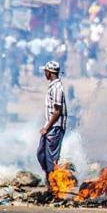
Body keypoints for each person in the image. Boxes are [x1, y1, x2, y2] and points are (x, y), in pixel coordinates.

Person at [36, 61, 68, 191]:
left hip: (55, 128)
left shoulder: (57, 88)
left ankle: (54, 187)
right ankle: (49, 181)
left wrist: (46, 127)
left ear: (49, 72)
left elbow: (57, 112)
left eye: (45, 71)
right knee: (41, 154)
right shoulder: (52, 86)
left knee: (51, 159)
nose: (45, 73)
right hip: (50, 127)